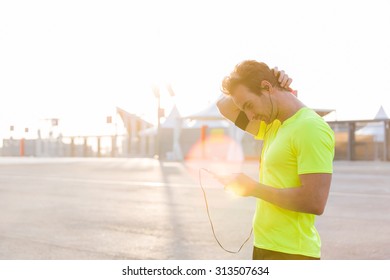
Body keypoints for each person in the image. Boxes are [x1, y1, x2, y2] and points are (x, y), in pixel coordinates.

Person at [216, 60, 335, 260]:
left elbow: (315, 201)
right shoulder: (272, 125)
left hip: (293, 253)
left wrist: (253, 188)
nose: (250, 116)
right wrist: (269, 74)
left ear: (267, 87)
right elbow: (222, 105)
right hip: (265, 246)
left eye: (249, 105)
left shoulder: (310, 127)